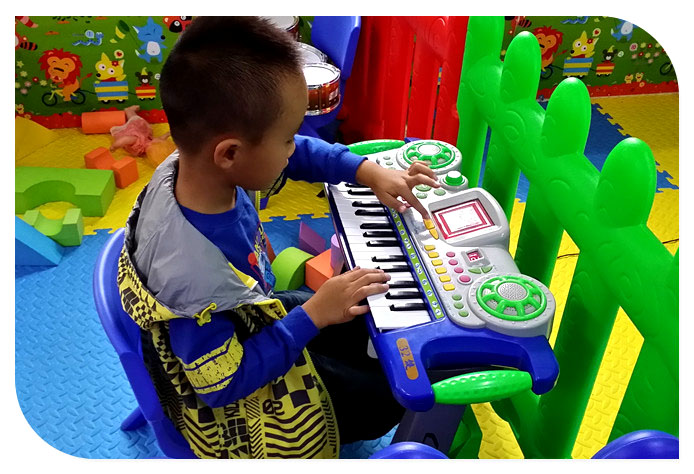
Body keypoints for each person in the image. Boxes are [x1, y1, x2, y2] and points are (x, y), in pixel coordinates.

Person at [117, 16, 440, 459]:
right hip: (231, 400)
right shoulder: (192, 277)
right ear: (230, 153)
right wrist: (312, 315)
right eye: (287, 138)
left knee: (363, 317)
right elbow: (221, 385)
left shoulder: (194, 166)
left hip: (246, 317)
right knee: (385, 396)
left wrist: (366, 170)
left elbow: (293, 155)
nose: (294, 147)